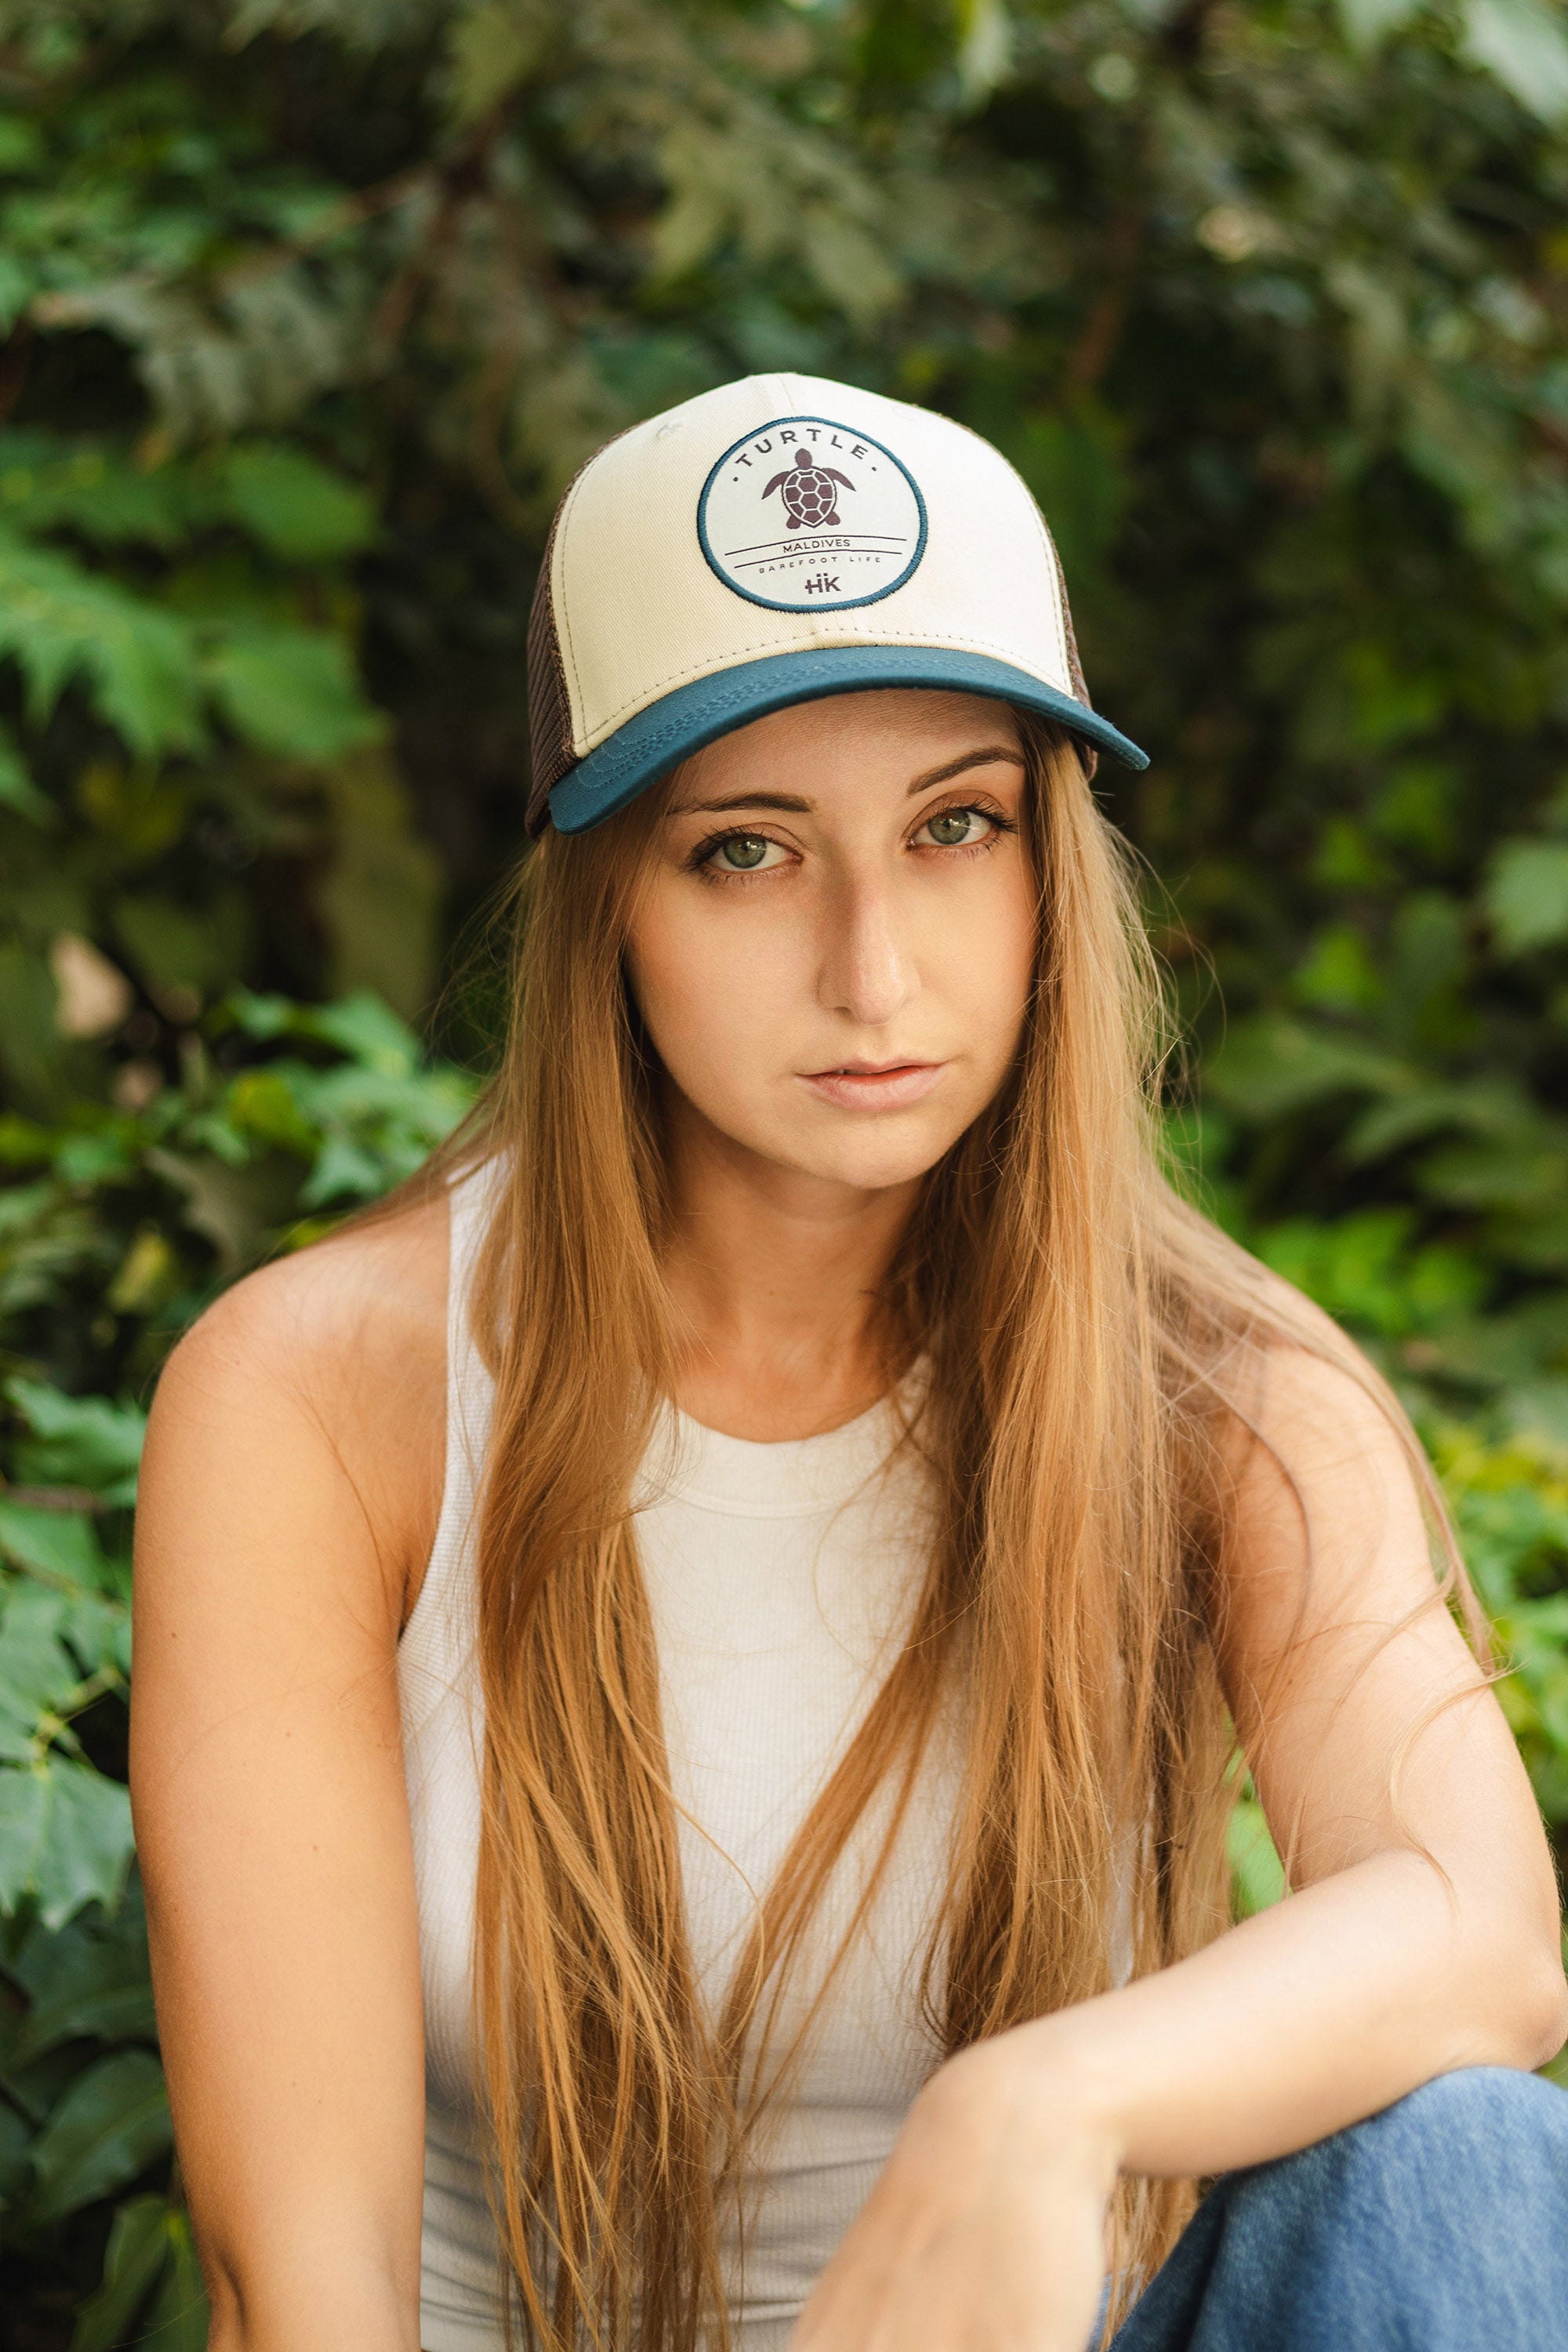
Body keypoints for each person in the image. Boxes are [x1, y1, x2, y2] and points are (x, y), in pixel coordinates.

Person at [130, 374, 1568, 2352]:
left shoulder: (1217, 1393)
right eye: (747, 850)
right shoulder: (318, 1396)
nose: (873, 968)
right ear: (604, 901)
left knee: (1471, 2162)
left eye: (956, 825)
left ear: (1052, 868)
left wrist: (1034, 2110)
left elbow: (1482, 1929)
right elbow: (305, 2292)